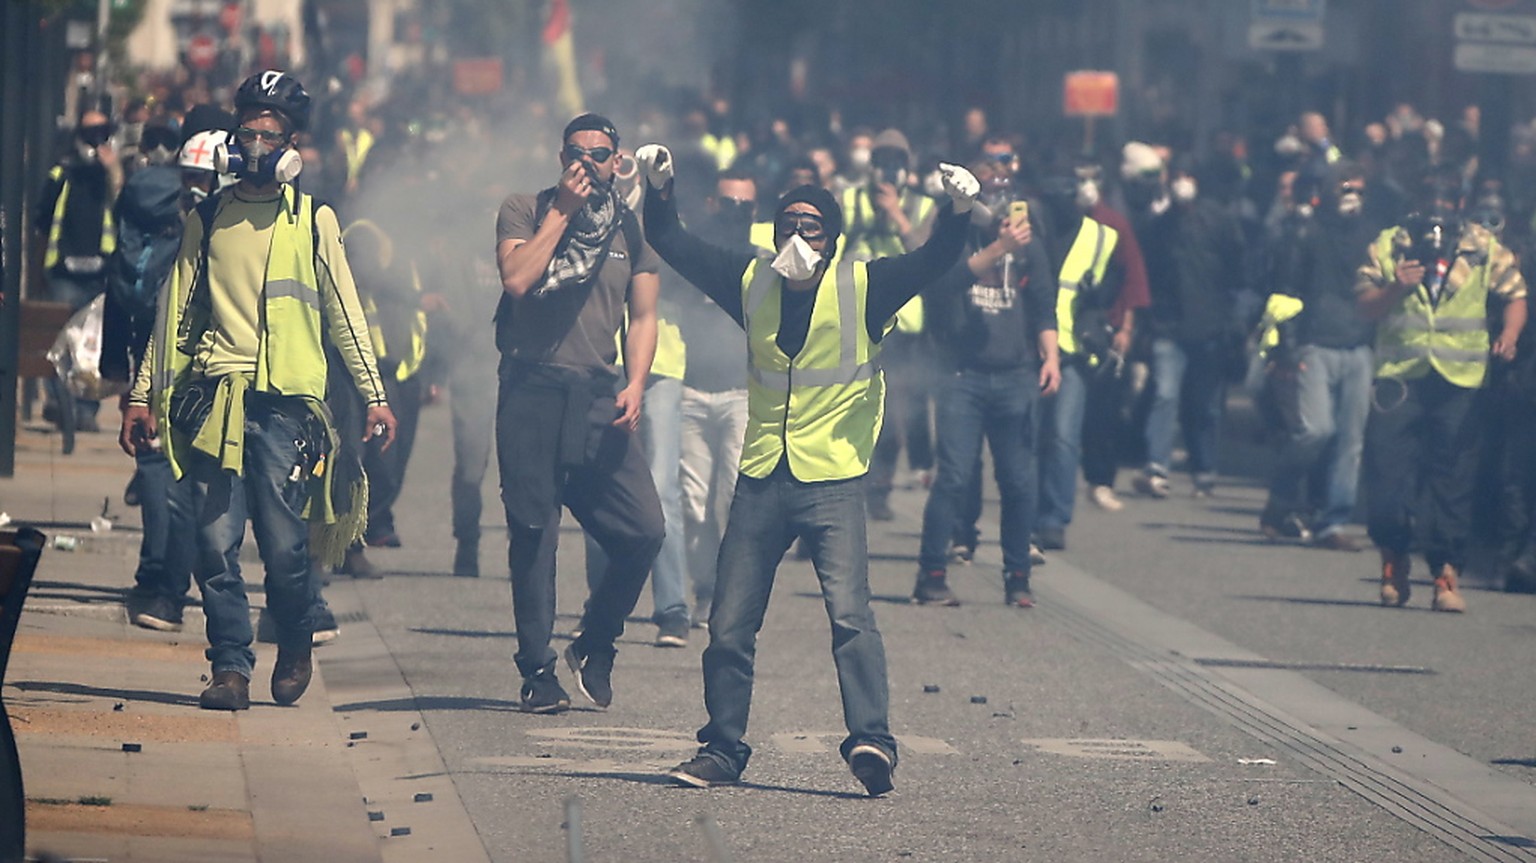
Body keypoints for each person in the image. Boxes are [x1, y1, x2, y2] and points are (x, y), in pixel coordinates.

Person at [635, 140, 975, 796]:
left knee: (851, 616)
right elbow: (672, 241)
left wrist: (957, 211)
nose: (797, 234)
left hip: (833, 479)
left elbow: (935, 259)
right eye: (787, 223)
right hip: (762, 475)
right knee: (729, 622)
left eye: (811, 226)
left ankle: (872, 740)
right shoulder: (749, 280)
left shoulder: (865, 286)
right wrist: (661, 188)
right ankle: (722, 747)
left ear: (833, 238)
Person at [120, 70, 397, 710]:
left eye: (269, 135)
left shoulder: (313, 220)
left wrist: (374, 394)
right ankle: (230, 669)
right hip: (217, 400)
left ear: (292, 145)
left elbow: (344, 313)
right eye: (246, 132)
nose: (255, 145)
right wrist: (143, 395)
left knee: (285, 549)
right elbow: (175, 320)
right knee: (215, 544)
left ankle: (295, 638)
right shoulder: (208, 219)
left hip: (287, 412)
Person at [493, 114, 665, 713]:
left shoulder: (629, 228)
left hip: (598, 396)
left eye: (601, 154)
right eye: (577, 152)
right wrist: (562, 212)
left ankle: (596, 641)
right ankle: (537, 670)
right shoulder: (525, 208)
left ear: (618, 162)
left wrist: (638, 382)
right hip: (532, 390)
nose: (588, 162)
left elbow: (643, 316)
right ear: (561, 155)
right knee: (535, 534)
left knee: (645, 531)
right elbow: (517, 279)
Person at [1355, 170, 1526, 612]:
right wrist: (1397, 286)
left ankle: (1445, 573)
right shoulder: (1391, 244)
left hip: (1459, 379)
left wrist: (1509, 334)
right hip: (1401, 377)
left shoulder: (1482, 246)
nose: (1438, 207)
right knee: (1388, 475)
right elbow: (1365, 304)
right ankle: (1393, 560)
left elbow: (1515, 294)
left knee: (1452, 479)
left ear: (1460, 202)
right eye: (1429, 196)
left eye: (1447, 198)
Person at [913, 156, 1059, 608]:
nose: (1000, 205)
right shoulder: (955, 236)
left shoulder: (1029, 245)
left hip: (1015, 374)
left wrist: (1051, 355)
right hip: (963, 374)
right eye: (989, 195)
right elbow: (942, 287)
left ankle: (1017, 577)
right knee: (954, 476)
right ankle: (931, 575)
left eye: (1005, 194)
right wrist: (997, 249)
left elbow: (1043, 305)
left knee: (1018, 480)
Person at [106, 127, 230, 632]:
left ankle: (165, 587)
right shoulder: (206, 225)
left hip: (181, 370)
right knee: (189, 490)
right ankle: (171, 591)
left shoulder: (166, 216)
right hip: (193, 373)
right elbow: (171, 309)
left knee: (188, 489)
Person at [1258, 163, 1377, 551]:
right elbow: (1286, 292)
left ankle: (1333, 521)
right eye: (1345, 187)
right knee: (1315, 430)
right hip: (1315, 344)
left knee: (1351, 441)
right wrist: (1287, 350)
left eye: (1359, 189)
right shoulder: (1305, 234)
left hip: (1359, 347)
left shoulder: (1372, 237)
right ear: (1327, 191)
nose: (1351, 196)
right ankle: (1281, 499)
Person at [1133, 160, 1247, 498]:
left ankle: (1204, 469)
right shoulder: (1161, 226)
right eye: (1177, 177)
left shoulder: (1220, 221)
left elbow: (1237, 269)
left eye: (1187, 177)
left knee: (1205, 404)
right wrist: (1149, 319)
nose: (1182, 184)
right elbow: (1149, 271)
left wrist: (1234, 317)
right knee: (1165, 394)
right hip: (1169, 325)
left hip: (1210, 327)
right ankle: (1157, 465)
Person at [843, 129, 938, 519]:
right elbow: (831, 245)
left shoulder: (922, 206)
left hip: (907, 325)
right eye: (882, 162)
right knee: (855, 404)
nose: (889, 170)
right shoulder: (849, 199)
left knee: (897, 406)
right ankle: (851, 483)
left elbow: (926, 252)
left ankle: (880, 489)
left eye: (897, 163)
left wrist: (897, 215)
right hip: (858, 317)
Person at [675, 168, 756, 628]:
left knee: (730, 499)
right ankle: (703, 590)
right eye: (729, 204)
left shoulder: (766, 260)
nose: (738, 214)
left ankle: (729, 593)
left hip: (740, 394)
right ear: (712, 204)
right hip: (690, 388)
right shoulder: (695, 254)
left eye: (747, 207)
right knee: (692, 501)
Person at [34, 108, 124, 431]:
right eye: (90, 134)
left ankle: (85, 411)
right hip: (63, 273)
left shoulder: (111, 173)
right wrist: (37, 270)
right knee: (60, 341)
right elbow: (42, 225)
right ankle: (62, 405)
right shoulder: (63, 172)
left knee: (92, 346)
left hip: (100, 274)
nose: (96, 141)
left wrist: (114, 171)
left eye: (102, 133)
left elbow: (126, 208)